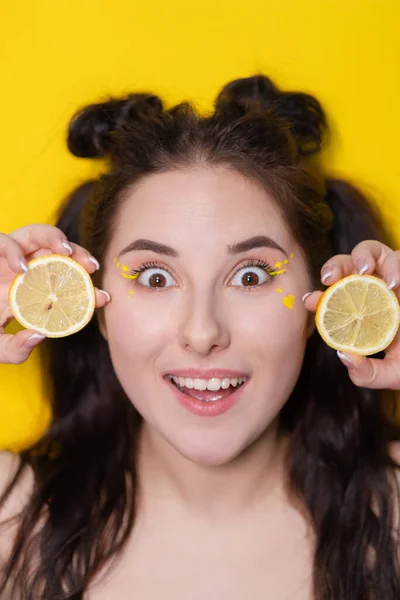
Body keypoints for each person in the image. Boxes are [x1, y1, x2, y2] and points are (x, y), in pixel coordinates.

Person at [0, 74, 399, 600]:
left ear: (320, 302)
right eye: (155, 278)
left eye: (251, 276)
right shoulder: (11, 519)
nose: (203, 332)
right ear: (93, 306)